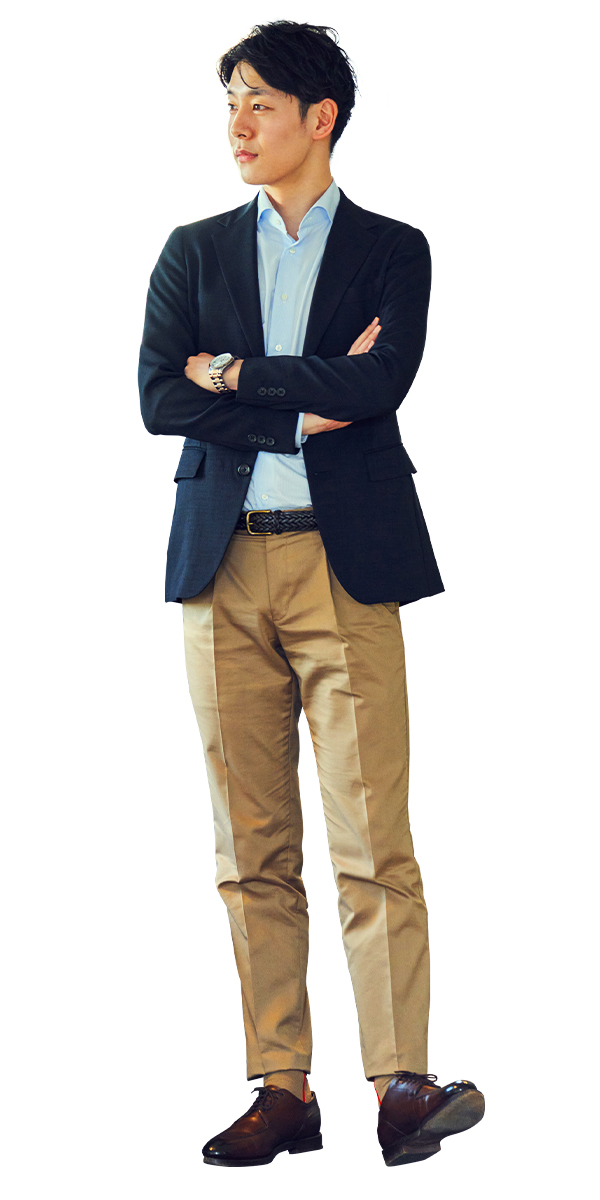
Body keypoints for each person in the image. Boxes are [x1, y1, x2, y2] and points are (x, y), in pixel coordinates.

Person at [138, 19, 485, 1169]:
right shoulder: (193, 252)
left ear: (319, 117)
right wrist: (300, 400)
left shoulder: (394, 250)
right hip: (221, 563)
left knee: (373, 832)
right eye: (229, 103)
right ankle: (281, 1086)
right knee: (250, 843)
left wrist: (235, 375)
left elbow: (380, 382)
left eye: (260, 103)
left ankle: (402, 1085)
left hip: (347, 559)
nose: (238, 125)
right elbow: (161, 397)